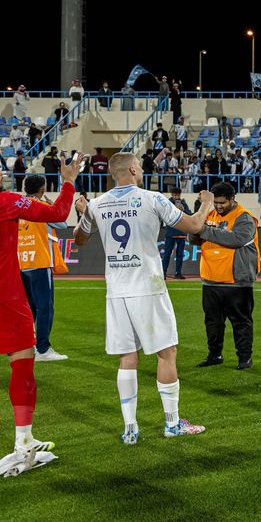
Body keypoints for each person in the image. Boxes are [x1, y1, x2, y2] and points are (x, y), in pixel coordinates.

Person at [74, 152, 214, 445]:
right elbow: (194, 226)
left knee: (127, 357)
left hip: (116, 290)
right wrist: (206, 204)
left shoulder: (97, 204)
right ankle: (172, 424)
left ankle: (130, 428)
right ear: (133, 170)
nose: (141, 169)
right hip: (148, 287)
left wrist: (82, 212)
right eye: (139, 165)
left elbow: (79, 239)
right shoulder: (152, 198)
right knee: (166, 352)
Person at [1, 153, 80, 458]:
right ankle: (23, 440)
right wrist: (69, 180)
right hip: (7, 297)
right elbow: (59, 211)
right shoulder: (8, 201)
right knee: (22, 361)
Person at [189, 182, 260, 371]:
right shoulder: (209, 214)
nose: (219, 206)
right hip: (210, 279)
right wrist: (197, 216)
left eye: (222, 203)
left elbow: (237, 239)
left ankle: (244, 358)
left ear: (232, 199)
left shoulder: (244, 217)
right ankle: (214, 355)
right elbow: (193, 238)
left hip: (236, 281)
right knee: (212, 322)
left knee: (241, 322)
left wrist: (202, 229)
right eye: (216, 203)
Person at [17, 175, 70, 362]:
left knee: (28, 308)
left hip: (20, 263)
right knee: (44, 307)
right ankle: (43, 349)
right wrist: (51, 204)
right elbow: (62, 223)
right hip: (39, 262)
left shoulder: (17, 207)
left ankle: (26, 345)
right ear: (42, 189)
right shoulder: (41, 206)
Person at [161, 188, 190, 280]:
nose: (176, 197)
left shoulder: (183, 203)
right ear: (172, 194)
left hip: (181, 232)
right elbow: (164, 215)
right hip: (170, 232)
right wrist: (174, 210)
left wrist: (183, 210)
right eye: (174, 195)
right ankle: (163, 272)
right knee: (167, 254)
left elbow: (189, 215)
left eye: (178, 195)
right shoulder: (167, 203)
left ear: (180, 195)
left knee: (180, 255)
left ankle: (178, 273)